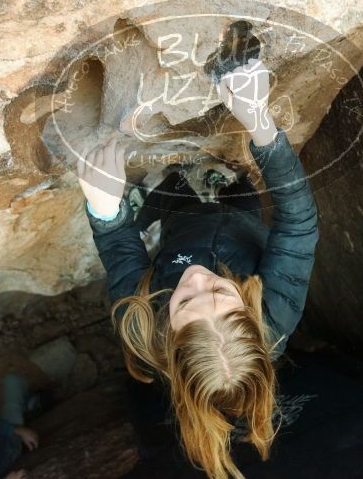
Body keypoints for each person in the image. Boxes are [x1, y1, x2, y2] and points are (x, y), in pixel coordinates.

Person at [77, 58, 319, 479]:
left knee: (158, 197)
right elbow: (297, 226)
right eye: (223, 294)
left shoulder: (141, 324)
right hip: (240, 214)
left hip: (179, 224)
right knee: (238, 186)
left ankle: (157, 196)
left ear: (167, 332)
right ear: (251, 317)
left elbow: (119, 249)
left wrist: (104, 208)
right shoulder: (276, 315)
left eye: (185, 300)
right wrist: (260, 123)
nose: (200, 280)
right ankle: (204, 184)